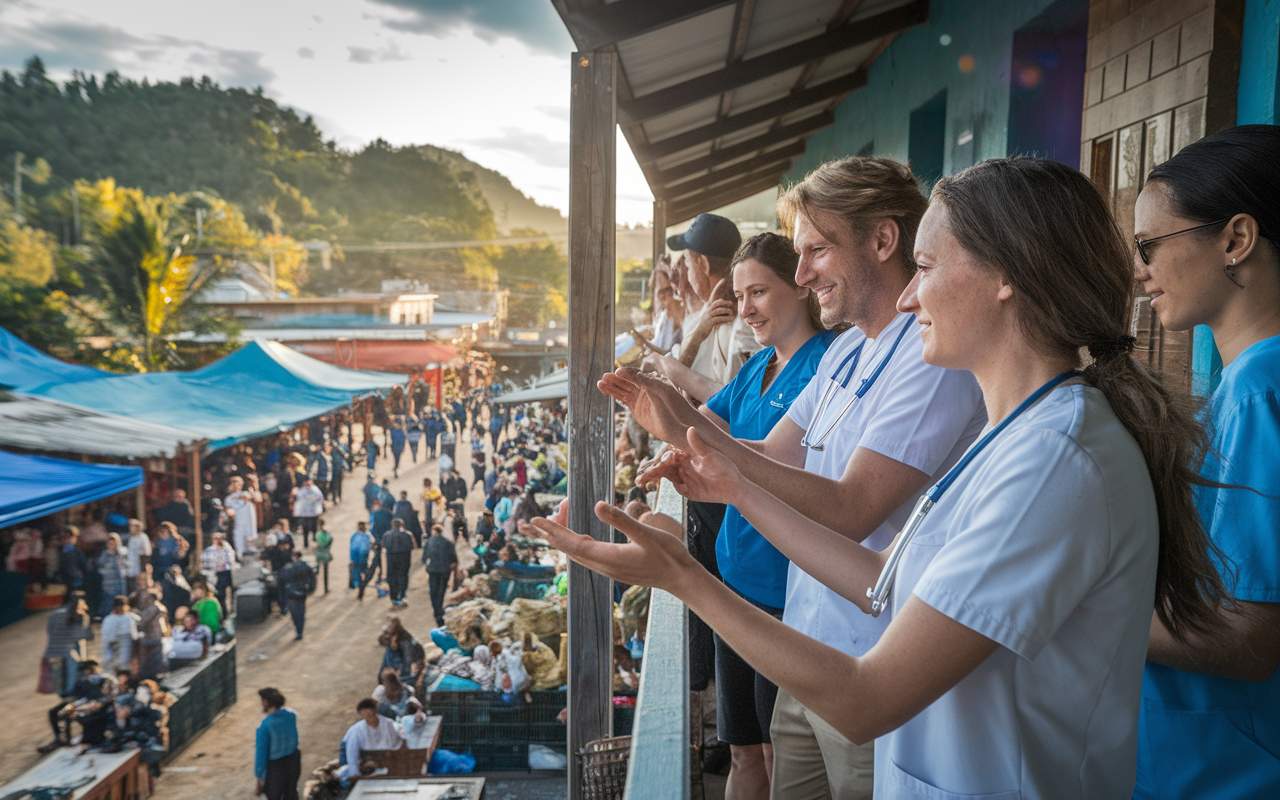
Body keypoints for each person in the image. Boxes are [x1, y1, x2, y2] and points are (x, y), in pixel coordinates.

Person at [548, 156, 1241, 799]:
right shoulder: (1018, 433)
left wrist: (682, 576)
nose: (909, 299)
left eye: (928, 267)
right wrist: (732, 488)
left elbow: (866, 697)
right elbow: (881, 579)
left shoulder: (1055, 459)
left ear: (1006, 276)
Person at [604, 156, 986, 796]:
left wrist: (690, 434)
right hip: (807, 643)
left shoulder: (928, 358)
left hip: (872, 660)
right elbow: (775, 455)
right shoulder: (845, 350)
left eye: (816, 251)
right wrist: (695, 446)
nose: (804, 273)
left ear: (884, 240)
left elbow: (853, 507)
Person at [1129, 125, 1280, 796]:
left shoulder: (1259, 392)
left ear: (1236, 240)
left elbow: (1250, 638)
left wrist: (1072, 605)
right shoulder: (1246, 387)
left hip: (1226, 772)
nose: (1140, 271)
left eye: (1149, 246)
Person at [681, 231, 836, 799]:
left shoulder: (824, 365)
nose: (745, 309)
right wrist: (653, 391)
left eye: (759, 293)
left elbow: (766, 458)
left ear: (798, 287)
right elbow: (709, 426)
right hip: (734, 580)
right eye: (739, 295)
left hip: (782, 592)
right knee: (744, 750)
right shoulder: (759, 365)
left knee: (778, 751)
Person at [652, 213, 760, 403]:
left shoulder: (745, 323)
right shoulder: (706, 316)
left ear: (703, 264)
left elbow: (744, 405)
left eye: (687, 263)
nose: (684, 273)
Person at [41, 591, 93, 697]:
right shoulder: (81, 616)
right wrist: (83, 660)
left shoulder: (55, 614)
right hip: (70, 653)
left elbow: (49, 631)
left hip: (52, 652)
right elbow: (84, 639)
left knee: (59, 683)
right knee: (72, 683)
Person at [338, 698, 403, 780]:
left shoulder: (388, 724)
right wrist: (355, 775)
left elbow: (394, 744)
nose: (370, 719)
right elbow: (352, 753)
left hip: (379, 758)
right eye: (367, 716)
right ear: (362, 715)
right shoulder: (357, 730)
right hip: (351, 751)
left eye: (372, 715)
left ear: (376, 712)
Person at [255, 687, 300, 800]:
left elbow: (261, 753)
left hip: (275, 768)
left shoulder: (265, 726)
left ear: (265, 702)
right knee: (291, 793)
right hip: (293, 762)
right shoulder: (291, 715)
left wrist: (259, 776)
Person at [276, 552, 316, 640]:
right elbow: (312, 576)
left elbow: (279, 586)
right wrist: (311, 589)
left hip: (290, 595)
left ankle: (298, 631)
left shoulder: (284, 571)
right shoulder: (303, 566)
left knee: (294, 614)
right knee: (301, 612)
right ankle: (300, 631)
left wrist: (282, 604)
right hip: (302, 593)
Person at [422, 525, 457, 627]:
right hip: (445, 569)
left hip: (433, 569)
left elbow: (425, 557)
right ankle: (439, 608)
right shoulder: (447, 542)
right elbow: (453, 556)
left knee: (433, 590)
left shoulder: (429, 542)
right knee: (441, 590)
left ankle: (436, 610)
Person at [200, 531, 239, 610]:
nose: (219, 541)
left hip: (228, 572)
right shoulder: (209, 551)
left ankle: (233, 610)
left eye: (221, 539)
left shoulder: (227, 548)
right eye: (216, 539)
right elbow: (204, 566)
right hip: (216, 574)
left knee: (233, 592)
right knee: (220, 595)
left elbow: (232, 561)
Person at [100, 595, 137, 676]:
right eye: (119, 606)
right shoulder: (109, 619)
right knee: (110, 672)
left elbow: (134, 636)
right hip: (112, 649)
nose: (121, 608)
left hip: (126, 649)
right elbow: (107, 638)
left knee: (124, 671)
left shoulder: (129, 618)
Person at [225, 476, 262, 556]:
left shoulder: (247, 493)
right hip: (239, 525)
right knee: (240, 547)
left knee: (252, 547)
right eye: (235, 483)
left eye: (239, 483)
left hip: (250, 525)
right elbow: (229, 511)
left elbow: (258, 499)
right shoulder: (229, 499)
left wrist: (254, 487)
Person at [382, 519, 415, 608]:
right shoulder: (406, 535)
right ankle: (402, 595)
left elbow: (385, 546)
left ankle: (394, 596)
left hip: (392, 558)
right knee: (403, 576)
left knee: (392, 577)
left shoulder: (387, 535)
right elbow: (411, 547)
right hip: (404, 558)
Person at [96, 533, 129, 619]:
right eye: (109, 544)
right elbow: (100, 565)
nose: (111, 546)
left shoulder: (122, 552)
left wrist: (116, 553)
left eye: (113, 544)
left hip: (119, 584)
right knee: (108, 604)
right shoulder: (104, 554)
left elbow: (125, 566)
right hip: (107, 584)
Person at [291, 478, 325, 549]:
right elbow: (299, 499)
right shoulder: (302, 490)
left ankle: (315, 541)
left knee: (314, 528)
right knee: (305, 529)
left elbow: (320, 498)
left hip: (314, 512)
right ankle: (306, 543)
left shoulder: (315, 490)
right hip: (305, 513)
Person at [123, 519, 152, 585]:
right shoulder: (131, 539)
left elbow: (146, 553)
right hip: (131, 568)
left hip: (140, 569)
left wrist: (143, 571)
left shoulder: (143, 537)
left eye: (134, 526)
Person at [349, 521, 373, 591]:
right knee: (358, 571)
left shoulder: (367, 535)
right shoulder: (356, 536)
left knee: (363, 570)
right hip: (357, 557)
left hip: (364, 556)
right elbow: (352, 547)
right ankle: (359, 584)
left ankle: (361, 584)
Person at [313, 518, 333, 594]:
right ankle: (326, 588)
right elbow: (329, 541)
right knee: (325, 572)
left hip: (318, 553)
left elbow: (315, 542)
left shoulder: (317, 533)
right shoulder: (326, 533)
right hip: (325, 553)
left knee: (316, 571)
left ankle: (314, 587)